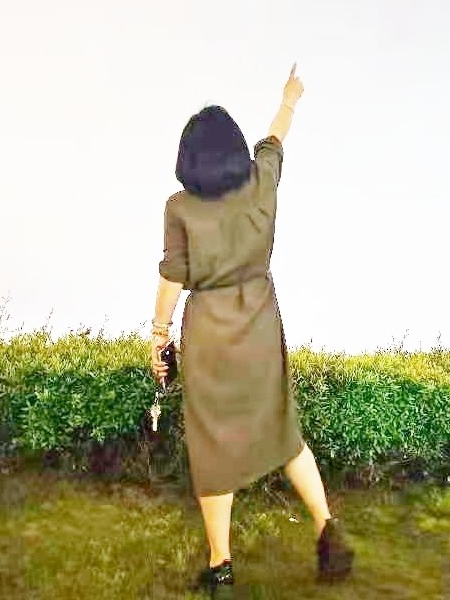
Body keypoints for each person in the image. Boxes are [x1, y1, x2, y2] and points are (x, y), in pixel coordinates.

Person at [150, 64, 354, 597]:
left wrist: (158, 334)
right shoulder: (262, 181)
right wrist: (290, 98)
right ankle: (329, 535)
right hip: (261, 323)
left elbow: (172, 277)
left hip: (210, 337)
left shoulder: (179, 208)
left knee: (212, 448)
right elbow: (275, 137)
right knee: (284, 432)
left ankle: (221, 567)